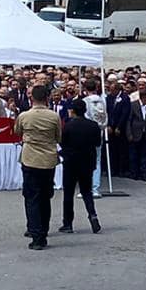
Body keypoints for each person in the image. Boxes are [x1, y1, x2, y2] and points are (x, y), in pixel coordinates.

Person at [14, 82, 61, 249]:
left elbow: (17, 132)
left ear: (31, 97)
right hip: (48, 159)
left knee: (32, 197)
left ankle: (36, 234)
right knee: (45, 196)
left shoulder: (24, 116)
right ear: (47, 98)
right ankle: (44, 230)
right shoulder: (54, 116)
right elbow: (58, 137)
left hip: (30, 158)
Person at [59, 99, 103, 234]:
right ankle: (92, 214)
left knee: (68, 193)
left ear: (73, 111)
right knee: (86, 191)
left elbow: (63, 143)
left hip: (71, 162)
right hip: (87, 161)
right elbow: (97, 142)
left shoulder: (68, 126)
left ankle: (68, 223)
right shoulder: (93, 125)